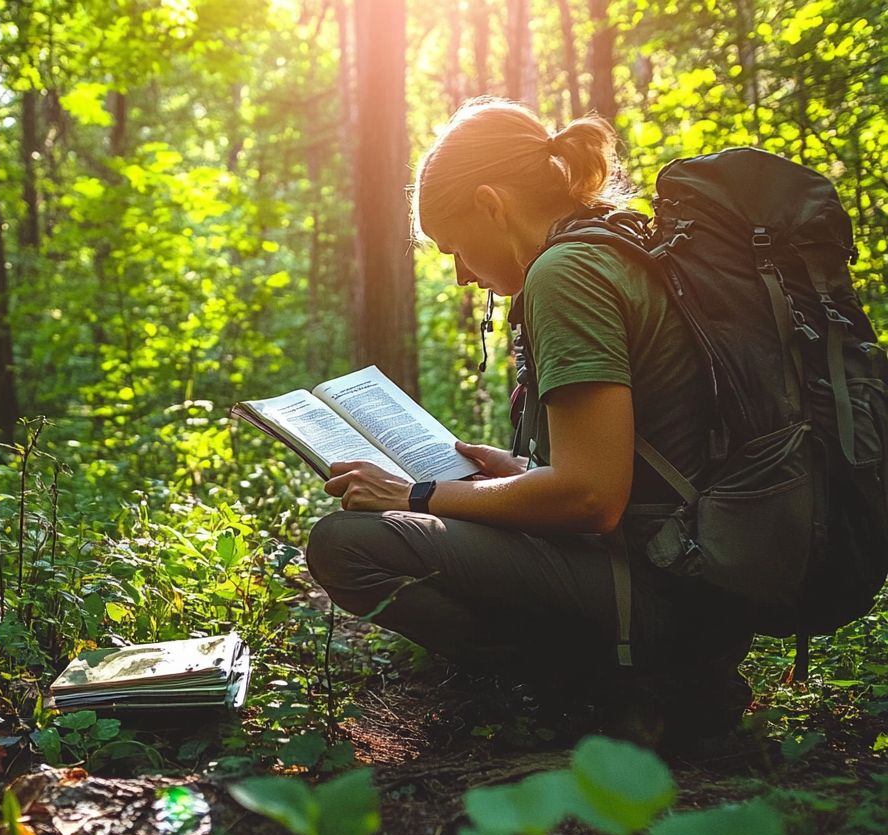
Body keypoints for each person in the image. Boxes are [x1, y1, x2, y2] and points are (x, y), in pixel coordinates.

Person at [305, 98, 752, 746]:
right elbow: (629, 467)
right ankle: (644, 682)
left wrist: (413, 494)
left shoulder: (564, 275)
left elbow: (593, 499)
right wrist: (521, 474)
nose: (461, 275)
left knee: (346, 543)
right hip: (688, 579)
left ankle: (596, 694)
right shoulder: (617, 247)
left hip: (655, 594)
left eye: (455, 248)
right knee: (420, 519)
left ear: (492, 204)